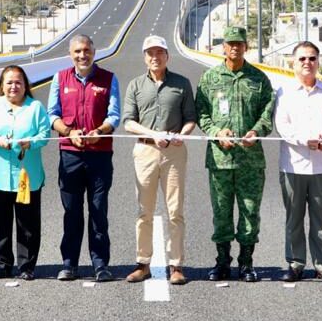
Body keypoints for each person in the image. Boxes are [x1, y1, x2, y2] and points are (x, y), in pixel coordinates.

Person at [196, 26, 274, 282]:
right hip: (220, 159)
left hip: (250, 160)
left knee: (250, 211)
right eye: (230, 43)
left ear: (246, 47)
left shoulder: (259, 79)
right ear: (223, 47)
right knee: (221, 212)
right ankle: (222, 261)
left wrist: (256, 130)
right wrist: (216, 132)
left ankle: (246, 262)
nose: (235, 48)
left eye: (239, 44)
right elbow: (202, 113)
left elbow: (267, 112)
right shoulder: (210, 78)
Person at [121, 35, 197, 285]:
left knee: (175, 210)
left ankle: (176, 265)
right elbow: (128, 121)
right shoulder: (135, 85)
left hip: (174, 152)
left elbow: (190, 119)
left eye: (160, 52)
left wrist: (180, 136)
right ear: (145, 57)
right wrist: (154, 135)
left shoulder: (181, 83)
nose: (155, 57)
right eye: (150, 53)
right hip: (145, 151)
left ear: (167, 56)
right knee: (144, 210)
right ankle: (143, 263)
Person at [48, 34, 120, 282]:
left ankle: (100, 264)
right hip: (70, 155)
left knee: (98, 211)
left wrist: (99, 132)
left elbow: (115, 116)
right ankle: (69, 263)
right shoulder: (60, 78)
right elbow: (52, 115)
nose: (82, 55)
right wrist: (69, 132)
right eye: (77, 51)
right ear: (71, 54)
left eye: (87, 50)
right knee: (72, 212)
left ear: (94, 51)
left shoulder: (109, 78)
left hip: (100, 155)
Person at [273, 41, 322, 283]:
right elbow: (282, 126)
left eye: (312, 58)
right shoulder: (284, 92)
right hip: (293, 164)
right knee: (294, 218)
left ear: (318, 62)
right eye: (302, 58)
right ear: (293, 62)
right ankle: (295, 263)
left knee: (320, 219)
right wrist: (306, 141)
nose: (307, 63)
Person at [0, 65, 51, 281]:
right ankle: (3, 264)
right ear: (2, 85)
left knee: (27, 222)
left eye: (18, 82)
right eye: (9, 82)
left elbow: (45, 135)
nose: (13, 86)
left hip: (27, 175)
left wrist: (31, 142)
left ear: (25, 85)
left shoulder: (35, 107)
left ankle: (26, 266)